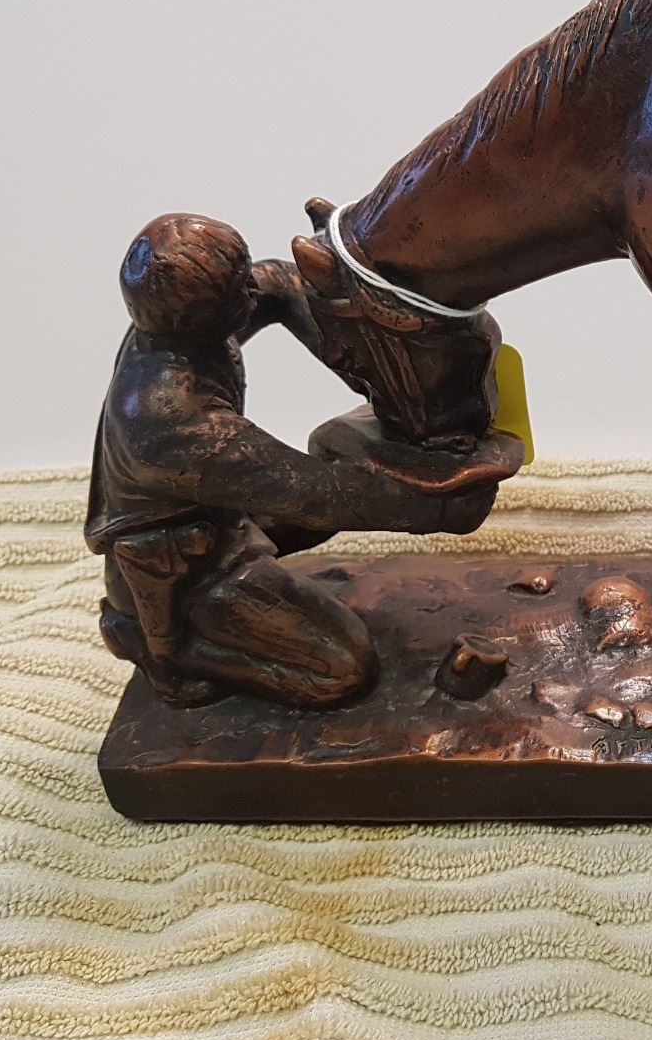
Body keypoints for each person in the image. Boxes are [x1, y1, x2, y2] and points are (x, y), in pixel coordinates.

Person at [86, 213, 493, 708]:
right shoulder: (175, 421)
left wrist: (357, 363)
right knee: (341, 670)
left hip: (222, 515)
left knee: (326, 462)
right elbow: (322, 494)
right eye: (238, 295)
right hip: (191, 572)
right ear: (200, 322)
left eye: (243, 278)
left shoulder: (181, 323)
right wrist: (442, 496)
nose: (251, 293)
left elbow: (279, 283)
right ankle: (174, 650)